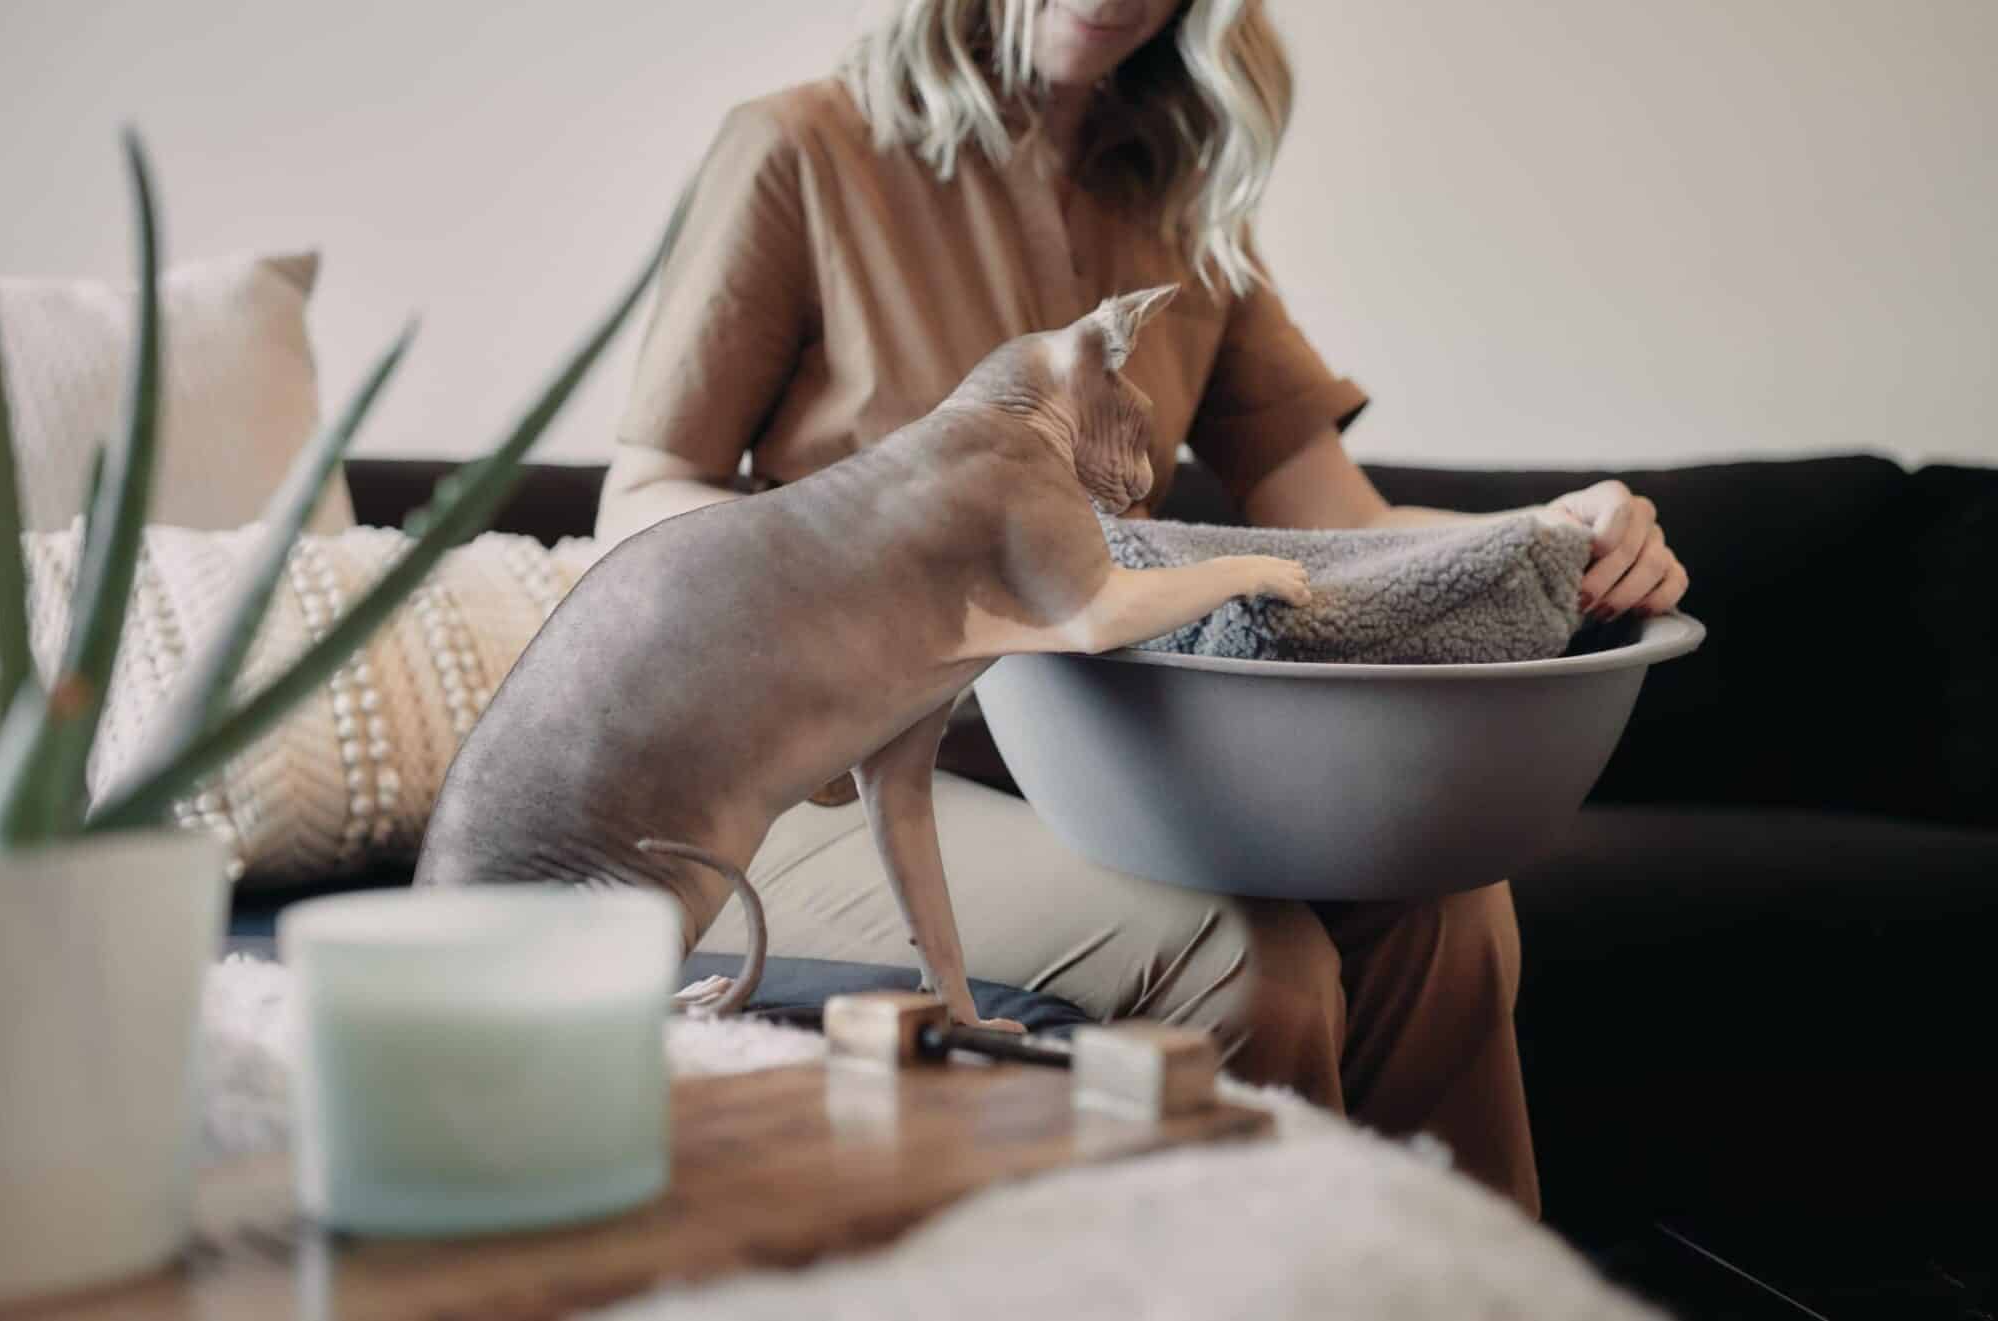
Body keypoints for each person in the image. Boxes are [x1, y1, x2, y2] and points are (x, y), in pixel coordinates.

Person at [596, 0, 1687, 1217]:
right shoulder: (800, 147)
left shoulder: (1175, 194)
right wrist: (860, 567)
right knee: (1255, 973)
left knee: (1447, 911)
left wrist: (1554, 533)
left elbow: (1352, 529)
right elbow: (640, 497)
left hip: (1093, 760)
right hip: (816, 777)